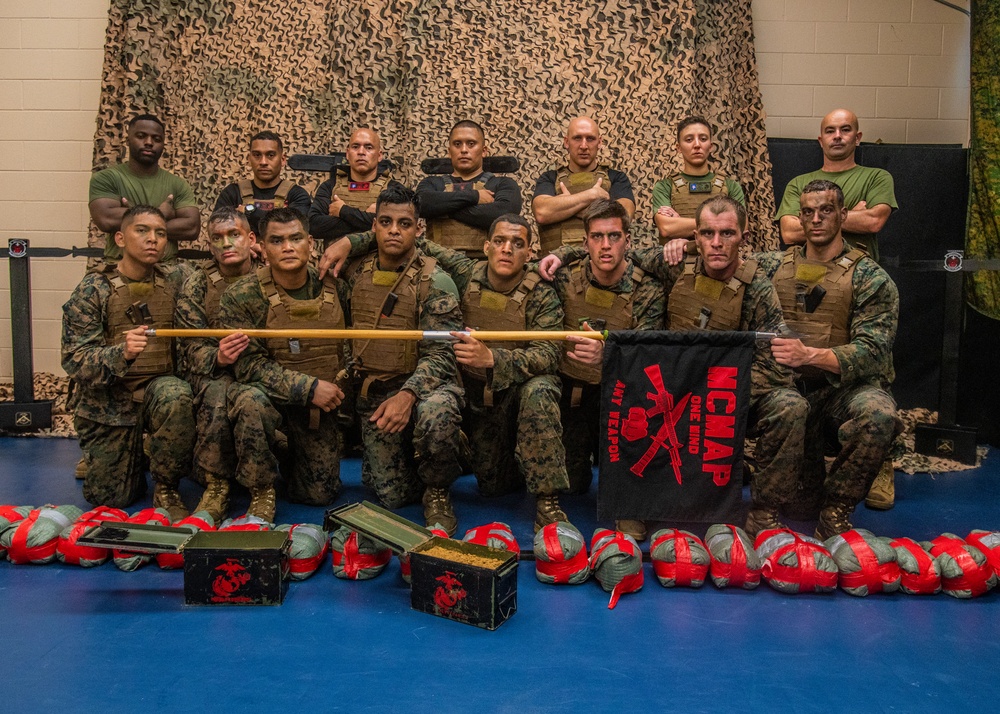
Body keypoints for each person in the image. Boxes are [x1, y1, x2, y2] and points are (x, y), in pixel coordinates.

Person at [329, 214, 572, 531]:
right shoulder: (464, 272)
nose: (507, 249)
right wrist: (350, 241)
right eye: (499, 241)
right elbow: (411, 239)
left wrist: (493, 358)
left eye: (518, 244)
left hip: (515, 399)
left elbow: (550, 353)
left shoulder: (541, 293)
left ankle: (547, 502)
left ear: (530, 252)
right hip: (469, 400)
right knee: (491, 485)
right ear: (486, 246)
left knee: (541, 390)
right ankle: (457, 451)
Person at [632, 196, 805, 539]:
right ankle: (637, 505)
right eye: (707, 233)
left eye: (727, 233)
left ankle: (763, 513)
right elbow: (618, 255)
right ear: (694, 236)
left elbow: (774, 367)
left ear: (743, 235)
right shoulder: (676, 263)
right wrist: (559, 255)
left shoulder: (757, 288)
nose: (716, 243)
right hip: (671, 387)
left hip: (726, 391)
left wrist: (711, 389)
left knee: (790, 406)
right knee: (629, 381)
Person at [762, 180, 901, 541]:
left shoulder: (870, 277)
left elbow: (873, 350)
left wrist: (810, 355)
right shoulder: (772, 266)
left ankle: (836, 509)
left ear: (843, 214)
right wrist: (685, 244)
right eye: (807, 212)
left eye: (826, 210)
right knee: (798, 508)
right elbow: (721, 260)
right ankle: (800, 496)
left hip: (840, 392)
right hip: (789, 395)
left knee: (879, 413)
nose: (816, 219)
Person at [341, 185, 467, 534]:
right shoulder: (353, 274)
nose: (394, 230)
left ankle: (439, 488)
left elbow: (443, 354)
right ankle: (417, 458)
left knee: (437, 411)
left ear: (418, 229)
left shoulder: (436, 279)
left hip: (425, 391)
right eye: (386, 222)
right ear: (375, 227)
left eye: (404, 223)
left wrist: (408, 395)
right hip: (376, 392)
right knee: (392, 496)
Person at [61, 205, 195, 520]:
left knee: (177, 393)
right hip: (109, 405)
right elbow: (73, 359)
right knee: (111, 499)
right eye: (142, 231)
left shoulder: (177, 278)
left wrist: (252, 253)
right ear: (120, 238)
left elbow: (222, 274)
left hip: (159, 392)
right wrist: (120, 353)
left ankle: (167, 485)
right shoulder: (93, 288)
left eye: (161, 234)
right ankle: (130, 452)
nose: (153, 240)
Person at [218, 208, 348, 522]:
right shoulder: (241, 296)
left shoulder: (338, 289)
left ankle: (283, 448)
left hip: (322, 406)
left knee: (318, 495)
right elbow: (249, 366)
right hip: (271, 398)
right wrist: (308, 387)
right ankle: (261, 490)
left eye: (295, 238)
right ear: (260, 247)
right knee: (249, 401)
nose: (287, 247)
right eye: (276, 240)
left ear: (311, 243)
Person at [547, 199, 664, 539]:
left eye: (614, 236)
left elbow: (649, 353)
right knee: (573, 486)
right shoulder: (563, 277)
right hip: (575, 393)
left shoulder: (648, 288)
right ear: (585, 243)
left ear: (628, 240)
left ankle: (630, 504)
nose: (606, 245)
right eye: (596, 237)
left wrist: (608, 355)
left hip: (626, 397)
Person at [173, 207, 258, 521]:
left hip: (264, 371)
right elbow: (189, 347)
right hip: (216, 374)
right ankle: (216, 484)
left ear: (250, 239)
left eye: (234, 235)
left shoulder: (271, 273)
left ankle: (263, 483)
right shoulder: (197, 285)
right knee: (217, 392)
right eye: (218, 238)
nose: (227, 244)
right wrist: (217, 356)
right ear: (209, 246)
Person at [775, 108, 897, 262]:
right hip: (808, 274)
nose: (837, 136)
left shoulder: (876, 177)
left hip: (858, 275)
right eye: (830, 131)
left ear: (857, 138)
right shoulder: (798, 184)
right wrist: (849, 215)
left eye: (845, 130)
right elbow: (789, 233)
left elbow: (873, 221)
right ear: (821, 140)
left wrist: (812, 223)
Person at [88, 114, 200, 265]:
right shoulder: (107, 178)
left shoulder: (177, 184)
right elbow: (106, 220)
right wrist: (161, 214)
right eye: (141, 136)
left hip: (166, 270)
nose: (149, 142)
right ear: (128, 140)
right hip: (120, 269)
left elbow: (192, 228)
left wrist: (132, 219)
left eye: (156, 139)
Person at [415, 120, 522, 259]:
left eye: (471, 144)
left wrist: (443, 208)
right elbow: (421, 204)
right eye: (457, 144)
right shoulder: (431, 183)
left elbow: (504, 215)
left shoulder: (503, 184)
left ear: (484, 151)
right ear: (449, 151)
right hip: (437, 266)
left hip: (484, 266)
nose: (464, 150)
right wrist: (475, 197)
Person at [532, 116, 636, 257]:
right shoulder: (550, 178)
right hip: (556, 270)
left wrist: (565, 205)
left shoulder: (616, 178)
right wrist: (592, 196)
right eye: (577, 138)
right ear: (566, 142)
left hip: (604, 270)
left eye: (590, 139)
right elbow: (542, 213)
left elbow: (623, 217)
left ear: (600, 142)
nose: (584, 146)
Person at [651, 115, 745, 243]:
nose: (697, 145)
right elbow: (667, 228)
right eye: (689, 139)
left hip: (720, 258)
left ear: (710, 146)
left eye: (703, 139)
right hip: (677, 260)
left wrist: (680, 222)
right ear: (678, 147)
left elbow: (742, 227)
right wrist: (721, 225)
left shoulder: (731, 186)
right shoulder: (664, 187)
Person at [311, 127, 400, 249]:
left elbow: (396, 227)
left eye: (368, 147)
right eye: (355, 147)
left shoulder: (394, 189)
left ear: (379, 155)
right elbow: (314, 225)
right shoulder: (329, 186)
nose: (361, 152)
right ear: (347, 154)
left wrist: (343, 211)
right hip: (336, 266)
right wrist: (368, 218)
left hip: (379, 263)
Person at [215, 131, 311, 238]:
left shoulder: (297, 195)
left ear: (282, 159)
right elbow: (217, 231)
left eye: (270, 155)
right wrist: (248, 246)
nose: (263, 162)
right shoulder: (232, 193)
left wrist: (248, 211)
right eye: (257, 155)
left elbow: (289, 228)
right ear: (249, 158)